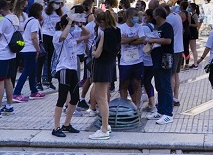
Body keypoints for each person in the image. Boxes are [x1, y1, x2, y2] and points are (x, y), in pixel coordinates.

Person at [51, 14, 89, 137]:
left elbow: (88, 34)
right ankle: (55, 127)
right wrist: (68, 23)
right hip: (63, 68)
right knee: (62, 98)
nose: (72, 27)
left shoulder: (72, 35)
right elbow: (62, 36)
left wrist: (80, 24)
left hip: (72, 68)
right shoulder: (57, 35)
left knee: (74, 97)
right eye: (70, 25)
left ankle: (67, 124)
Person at [89, 10, 121, 139]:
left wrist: (92, 50)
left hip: (102, 65)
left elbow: (97, 53)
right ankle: (105, 125)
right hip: (110, 64)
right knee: (101, 96)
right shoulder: (117, 31)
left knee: (101, 98)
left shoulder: (104, 33)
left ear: (102, 22)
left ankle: (104, 129)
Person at [144, 6, 175, 125]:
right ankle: (161, 110)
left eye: (154, 14)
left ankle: (168, 113)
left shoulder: (167, 27)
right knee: (159, 86)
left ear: (158, 15)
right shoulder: (157, 27)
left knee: (166, 86)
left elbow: (168, 41)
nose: (153, 17)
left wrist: (153, 41)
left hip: (165, 60)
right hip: (156, 60)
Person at [14, 2, 45, 101]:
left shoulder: (28, 20)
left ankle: (34, 91)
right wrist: (38, 49)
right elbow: (34, 37)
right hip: (30, 49)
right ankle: (16, 92)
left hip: (25, 48)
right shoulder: (34, 22)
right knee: (27, 71)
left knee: (32, 70)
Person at [119, 8, 144, 108]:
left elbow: (142, 39)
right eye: (135, 15)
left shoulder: (139, 27)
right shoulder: (122, 28)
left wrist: (128, 40)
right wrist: (134, 38)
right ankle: (124, 105)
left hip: (138, 60)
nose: (137, 17)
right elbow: (121, 41)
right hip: (125, 61)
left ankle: (137, 106)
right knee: (124, 83)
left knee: (137, 83)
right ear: (129, 16)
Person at [41, 0, 63, 91]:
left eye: (59, 4)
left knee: (52, 57)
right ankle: (45, 77)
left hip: (54, 36)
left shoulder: (59, 14)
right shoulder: (45, 12)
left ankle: (49, 78)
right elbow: (41, 23)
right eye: (56, 3)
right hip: (46, 35)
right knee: (46, 57)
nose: (58, 5)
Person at [166, 0, 185, 107]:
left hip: (173, 49)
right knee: (176, 73)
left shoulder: (168, 19)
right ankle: (176, 97)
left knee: (171, 74)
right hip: (179, 48)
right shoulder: (177, 16)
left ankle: (170, 98)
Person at [187, 3, 200, 68]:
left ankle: (195, 63)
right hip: (191, 32)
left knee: (193, 48)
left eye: (189, 7)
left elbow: (197, 25)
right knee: (191, 48)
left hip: (193, 32)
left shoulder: (195, 15)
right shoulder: (191, 14)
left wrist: (190, 25)